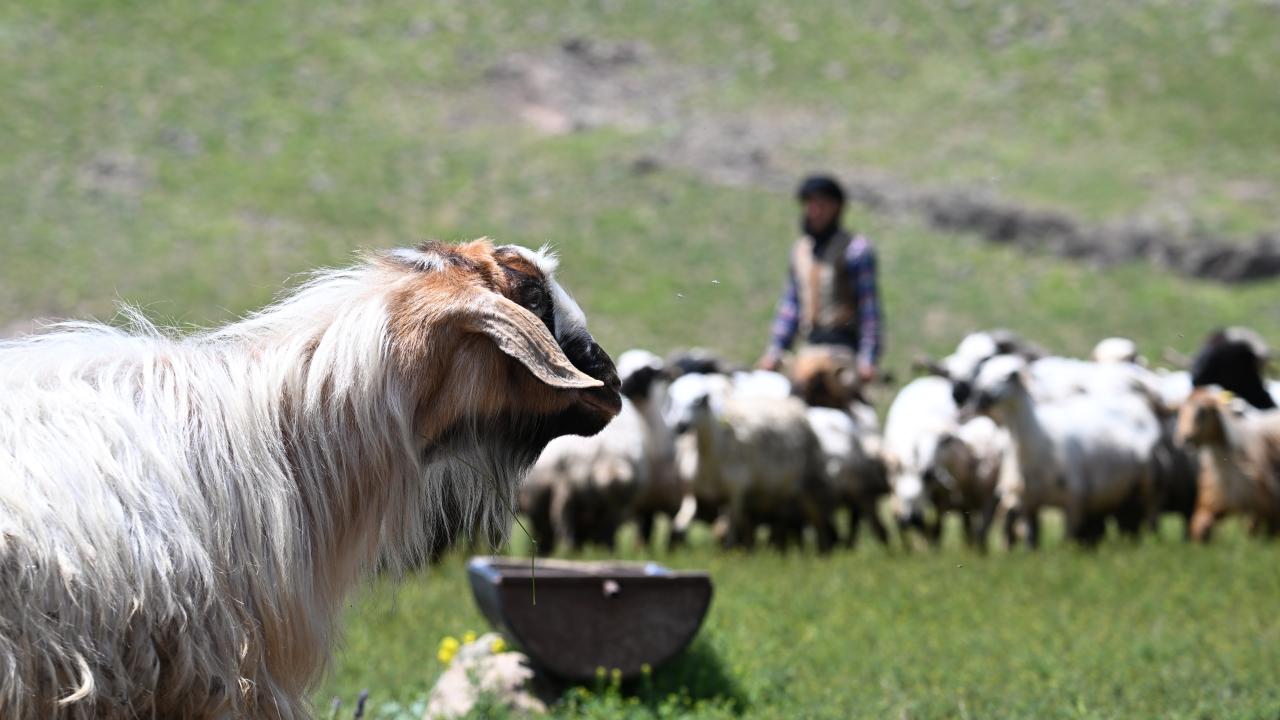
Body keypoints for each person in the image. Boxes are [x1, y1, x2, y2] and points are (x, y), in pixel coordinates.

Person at [757, 174, 882, 382]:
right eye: (810, 204)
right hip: (810, 348)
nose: (814, 212)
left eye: (821, 205)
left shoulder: (856, 250)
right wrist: (775, 351)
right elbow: (791, 306)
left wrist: (868, 359)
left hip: (845, 351)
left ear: (837, 208)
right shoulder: (800, 251)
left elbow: (869, 309)